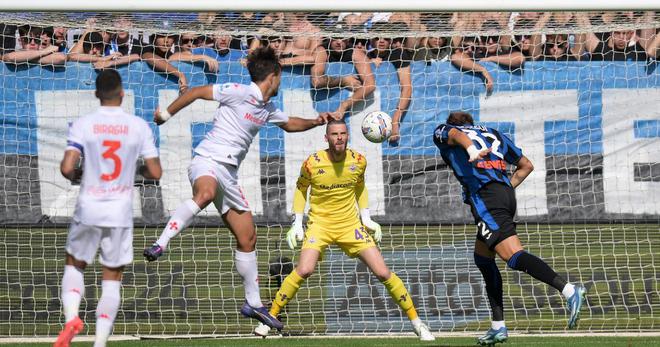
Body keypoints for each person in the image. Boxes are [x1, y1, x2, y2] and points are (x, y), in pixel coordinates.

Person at [142, 46, 332, 330]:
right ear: (274, 76)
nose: (280, 81)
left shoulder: (267, 108)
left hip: (229, 174)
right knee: (204, 194)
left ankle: (253, 303)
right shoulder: (239, 92)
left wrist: (317, 121)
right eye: (280, 77)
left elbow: (290, 124)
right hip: (207, 160)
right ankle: (161, 243)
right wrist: (165, 115)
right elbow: (195, 92)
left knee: (248, 238)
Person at [252, 119, 435, 341]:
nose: (339, 137)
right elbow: (301, 190)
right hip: (320, 225)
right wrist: (297, 222)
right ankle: (269, 319)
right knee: (304, 270)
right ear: (326, 138)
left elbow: (359, 187)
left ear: (347, 136)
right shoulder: (312, 162)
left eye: (343, 133)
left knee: (383, 273)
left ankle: (418, 323)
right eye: (334, 134)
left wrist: (366, 217)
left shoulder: (358, 161)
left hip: (350, 225)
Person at [432, 111, 586, 346]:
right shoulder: (493, 133)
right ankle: (498, 327)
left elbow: (454, 134)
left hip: (486, 198)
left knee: (512, 256)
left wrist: (472, 151)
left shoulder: (448, 130)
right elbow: (526, 166)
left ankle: (568, 290)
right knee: (483, 259)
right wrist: (504, 187)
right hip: (504, 193)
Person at [54, 70, 162, 347]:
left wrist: (81, 175)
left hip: (89, 206)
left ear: (96, 94)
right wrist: (131, 170)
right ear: (122, 93)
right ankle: (100, 343)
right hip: (119, 211)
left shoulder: (84, 124)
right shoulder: (138, 126)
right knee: (112, 279)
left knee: (75, 265)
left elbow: (67, 167)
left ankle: (71, 318)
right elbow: (155, 171)